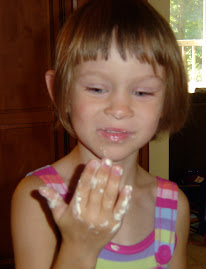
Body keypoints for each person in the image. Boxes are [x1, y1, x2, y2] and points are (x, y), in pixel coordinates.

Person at [11, 0, 190, 268]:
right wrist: (79, 247)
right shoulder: (38, 198)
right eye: (96, 88)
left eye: (142, 92)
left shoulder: (173, 205)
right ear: (59, 92)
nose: (119, 110)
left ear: (167, 100)